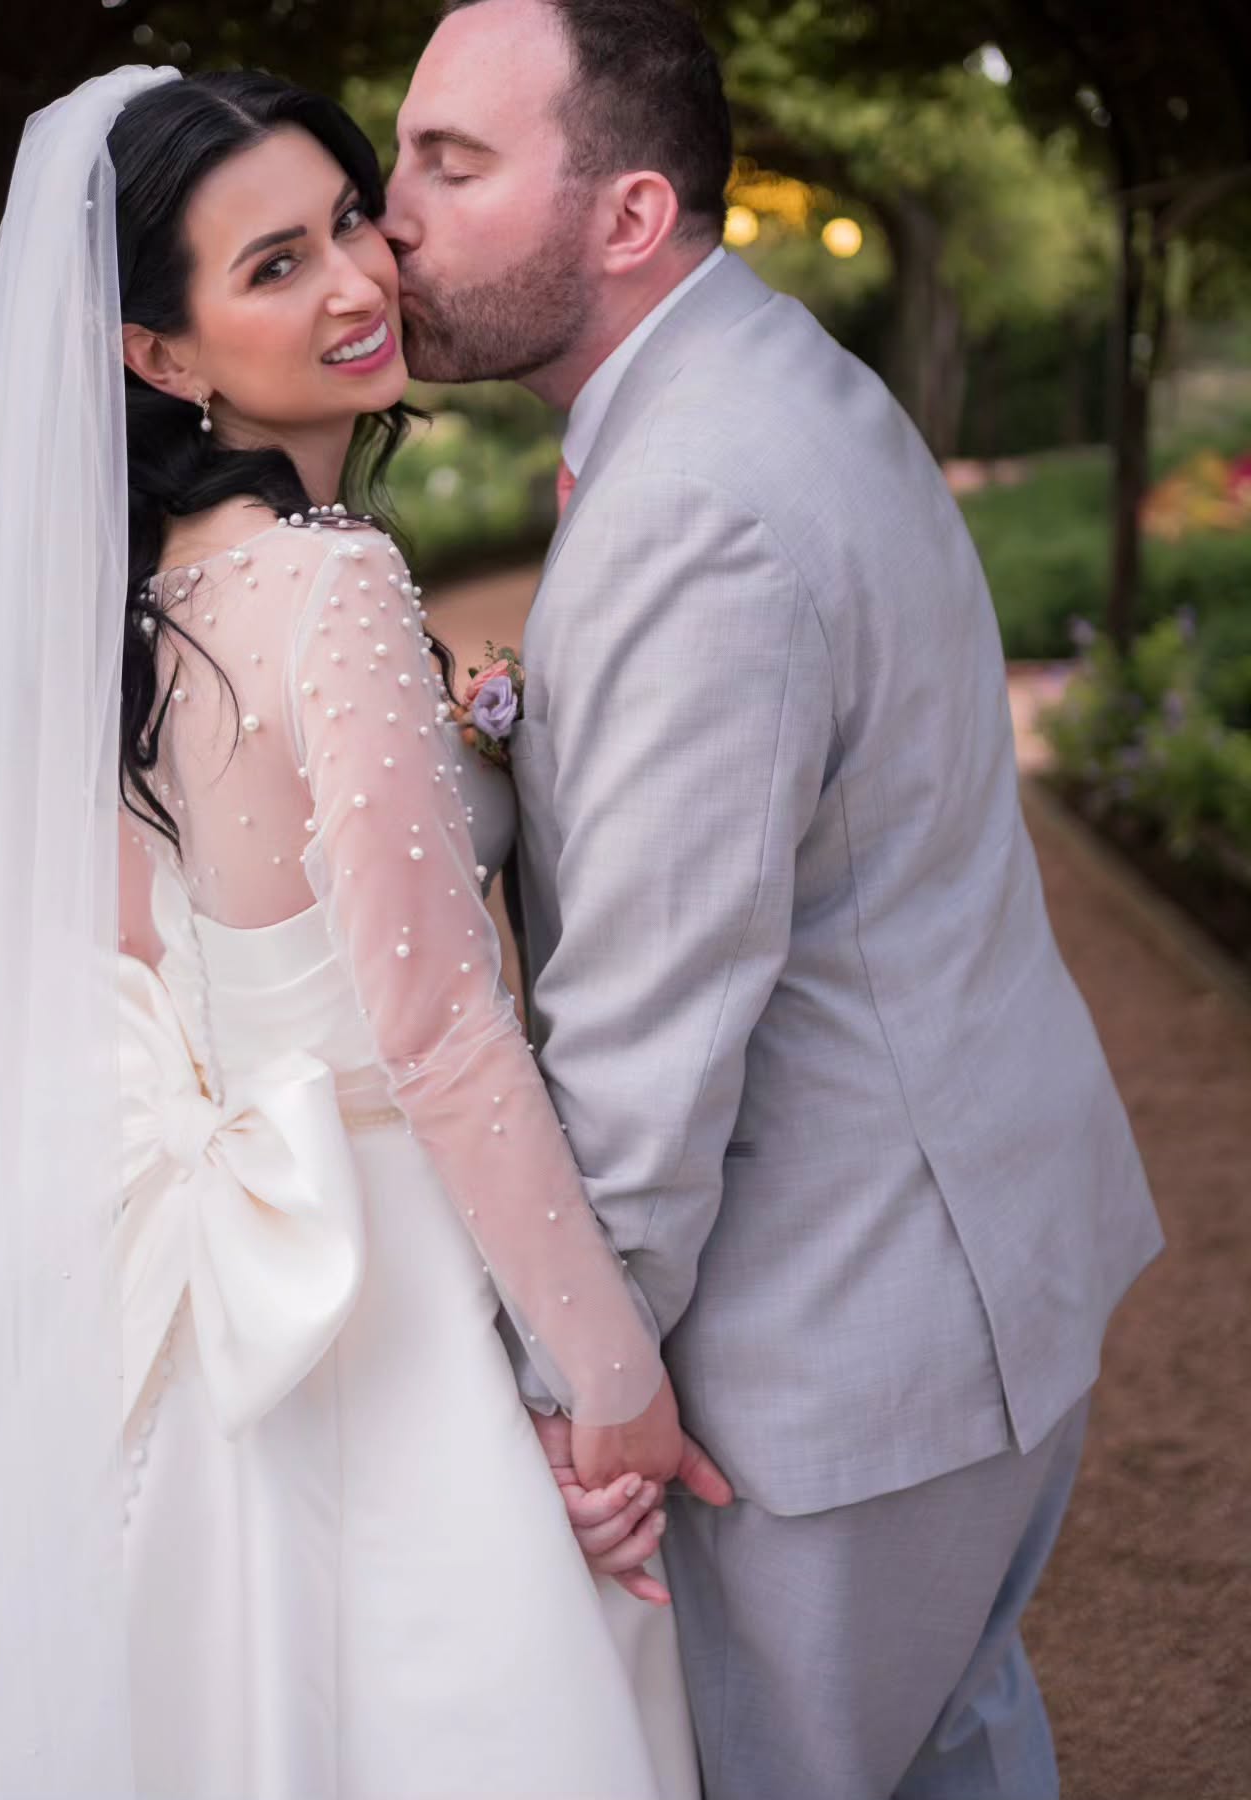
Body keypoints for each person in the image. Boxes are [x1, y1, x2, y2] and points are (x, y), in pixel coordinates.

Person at [0, 63, 717, 1800]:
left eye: (350, 222)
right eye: (275, 265)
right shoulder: (332, 586)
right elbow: (442, 1033)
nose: (361, 283)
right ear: (163, 353)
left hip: (202, 1265)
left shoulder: (133, 608)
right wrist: (613, 1380)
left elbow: (147, 975)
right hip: (367, 1253)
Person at [383, 2, 1164, 1796]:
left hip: (848, 1348)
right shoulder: (773, 371)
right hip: (975, 1272)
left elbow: (648, 1044)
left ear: (629, 215)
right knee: (957, 1747)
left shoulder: (697, 507)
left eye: (455, 162)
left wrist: (575, 1391)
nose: (392, 212)